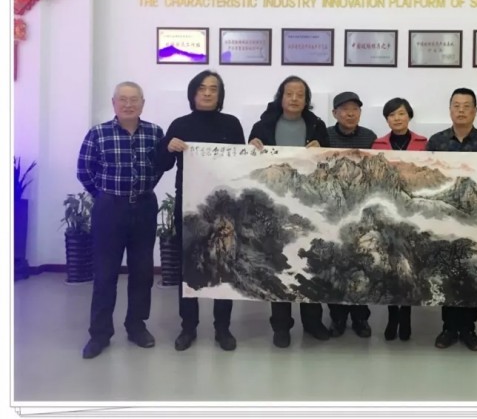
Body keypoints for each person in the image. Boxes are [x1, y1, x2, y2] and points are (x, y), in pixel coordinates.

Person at [156, 70, 245, 352]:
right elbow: (162, 164)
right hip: (189, 207)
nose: (207, 93)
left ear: (220, 94)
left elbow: (241, 164)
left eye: (213, 89)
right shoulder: (180, 124)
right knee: (189, 266)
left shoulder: (232, 124)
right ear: (193, 93)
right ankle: (188, 327)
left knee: (224, 265)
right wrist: (167, 147)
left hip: (223, 207)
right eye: (202, 88)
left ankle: (223, 328)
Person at [77, 82, 164, 359]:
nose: (128, 104)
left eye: (134, 99)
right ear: (114, 103)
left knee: (142, 272)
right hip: (110, 209)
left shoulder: (155, 133)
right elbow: (84, 170)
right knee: (105, 274)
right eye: (123, 99)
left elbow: (159, 167)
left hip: (144, 207)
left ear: (142, 103)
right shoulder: (98, 133)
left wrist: (142, 190)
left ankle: (136, 326)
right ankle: (100, 334)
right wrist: (104, 195)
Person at [248, 75, 332, 348]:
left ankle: (313, 322)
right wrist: (251, 148)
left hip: (309, 205)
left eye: (300, 94)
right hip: (274, 205)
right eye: (289, 93)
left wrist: (323, 149)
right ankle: (281, 326)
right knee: (279, 264)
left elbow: (328, 165)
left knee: (310, 262)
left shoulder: (317, 126)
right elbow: (249, 164)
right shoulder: (262, 125)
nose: (294, 98)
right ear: (280, 97)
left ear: (307, 100)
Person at [426, 87, 477, 352]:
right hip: (444, 215)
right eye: (456, 105)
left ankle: (469, 329)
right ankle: (448, 328)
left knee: (470, 271)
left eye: (467, 106)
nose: (461, 110)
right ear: (449, 110)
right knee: (447, 270)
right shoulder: (436, 141)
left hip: (474, 216)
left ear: (475, 111)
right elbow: (430, 178)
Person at [371, 97, 428, 341]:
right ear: (387, 119)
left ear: (409, 116)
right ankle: (392, 316)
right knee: (391, 266)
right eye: (392, 115)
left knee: (409, 265)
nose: (397, 118)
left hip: (413, 212)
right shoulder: (377, 144)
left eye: (401, 113)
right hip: (387, 211)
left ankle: (406, 317)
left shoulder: (424, 143)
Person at [326, 91, 378, 338]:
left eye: (355, 109)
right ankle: (337, 317)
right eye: (344, 109)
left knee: (362, 262)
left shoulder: (369, 137)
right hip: (332, 209)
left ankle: (360, 317)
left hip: (361, 210)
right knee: (336, 263)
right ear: (334, 113)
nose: (350, 113)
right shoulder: (324, 136)